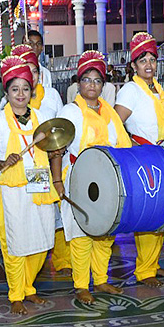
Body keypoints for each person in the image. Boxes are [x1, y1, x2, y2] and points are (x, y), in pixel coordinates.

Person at [0, 56, 59, 314]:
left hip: (39, 185)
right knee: (16, 243)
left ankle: (28, 288)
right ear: (7, 91)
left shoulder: (41, 117)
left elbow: (52, 149)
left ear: (32, 90)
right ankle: (16, 294)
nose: (21, 94)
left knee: (42, 240)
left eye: (25, 88)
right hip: (13, 192)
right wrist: (2, 162)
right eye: (15, 89)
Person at [50, 51, 127, 303]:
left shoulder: (111, 114)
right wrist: (58, 182)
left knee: (105, 232)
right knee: (81, 233)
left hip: (109, 182)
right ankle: (81, 285)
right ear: (78, 83)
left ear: (103, 85)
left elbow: (122, 146)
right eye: (86, 80)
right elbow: (56, 147)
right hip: (79, 180)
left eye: (97, 80)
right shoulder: (70, 111)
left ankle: (102, 280)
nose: (91, 85)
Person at [113, 32, 164, 287]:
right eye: (143, 60)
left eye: (152, 59)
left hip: (162, 156)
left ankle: (152, 264)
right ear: (133, 65)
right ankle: (144, 271)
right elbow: (117, 122)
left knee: (161, 214)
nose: (149, 65)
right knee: (149, 215)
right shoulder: (131, 90)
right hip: (145, 159)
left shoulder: (158, 89)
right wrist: (129, 150)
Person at [9, 44, 69, 272]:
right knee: (28, 217)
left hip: (48, 167)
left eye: (34, 71)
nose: (30, 76)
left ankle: (62, 260)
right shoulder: (11, 102)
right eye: (25, 70)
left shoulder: (52, 96)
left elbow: (61, 128)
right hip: (23, 172)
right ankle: (29, 266)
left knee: (53, 216)